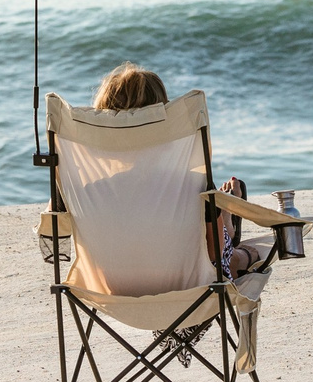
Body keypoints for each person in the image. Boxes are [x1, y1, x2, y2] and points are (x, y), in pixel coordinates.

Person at [89, 62, 272, 277]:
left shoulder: (89, 190)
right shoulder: (192, 186)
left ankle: (224, 223)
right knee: (216, 242)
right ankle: (232, 242)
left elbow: (53, 242)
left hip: (112, 291)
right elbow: (214, 253)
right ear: (165, 121)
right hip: (189, 289)